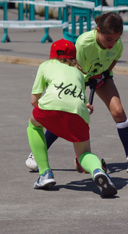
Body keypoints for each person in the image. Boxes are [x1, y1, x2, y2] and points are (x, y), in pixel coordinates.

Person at [27, 12, 128, 173]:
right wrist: (82, 98)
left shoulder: (117, 44)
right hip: (78, 77)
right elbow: (74, 71)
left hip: (100, 76)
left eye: (116, 39)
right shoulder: (83, 43)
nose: (112, 44)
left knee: (119, 111)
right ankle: (36, 154)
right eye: (109, 39)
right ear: (99, 31)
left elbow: (114, 58)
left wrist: (103, 73)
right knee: (67, 111)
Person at [27, 38, 117, 198]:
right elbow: (79, 100)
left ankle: (45, 173)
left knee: (33, 125)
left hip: (50, 107)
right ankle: (97, 171)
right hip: (79, 112)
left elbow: (34, 101)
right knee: (83, 154)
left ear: (52, 55)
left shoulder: (45, 65)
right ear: (74, 56)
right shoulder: (79, 73)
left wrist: (52, 119)